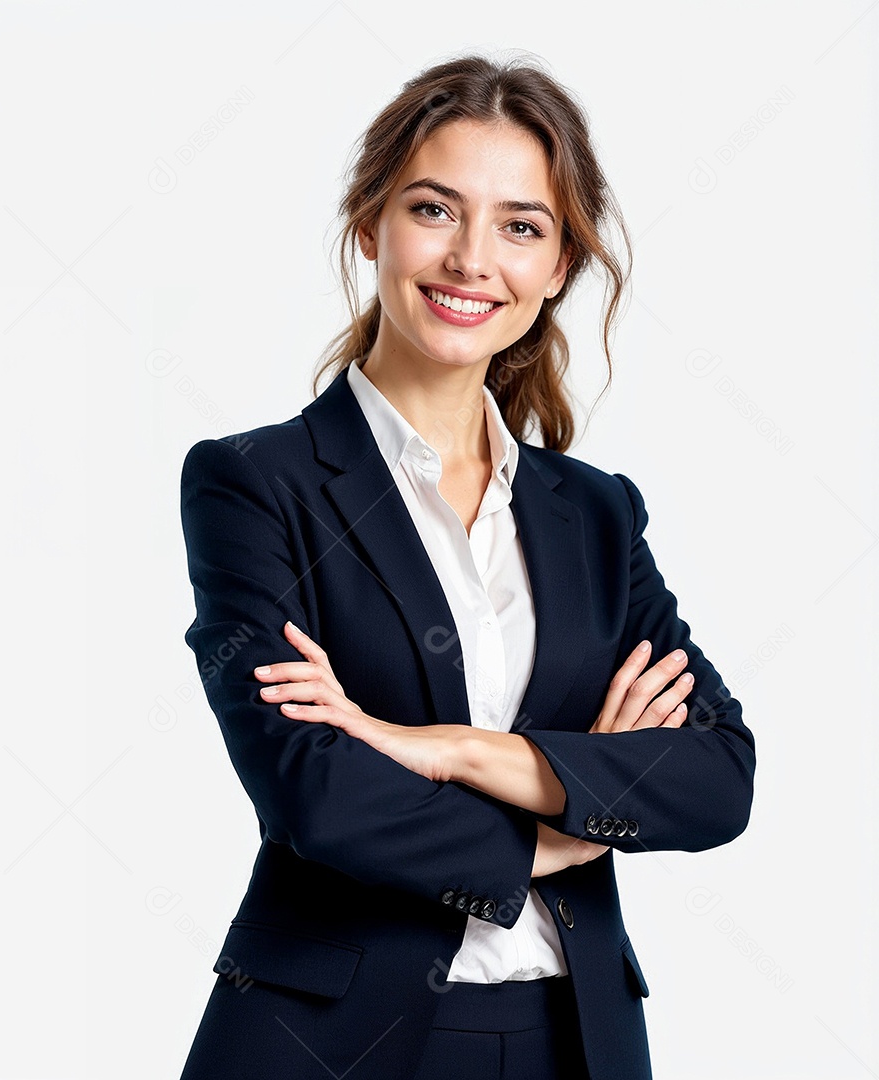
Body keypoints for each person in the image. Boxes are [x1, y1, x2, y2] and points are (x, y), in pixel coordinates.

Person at [177, 51, 755, 1080]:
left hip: (574, 1044)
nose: (471, 260)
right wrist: (561, 830)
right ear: (371, 225)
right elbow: (314, 793)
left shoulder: (596, 515)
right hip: (326, 1045)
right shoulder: (254, 484)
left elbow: (716, 778)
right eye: (435, 210)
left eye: (521, 227)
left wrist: (441, 748)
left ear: (560, 266)